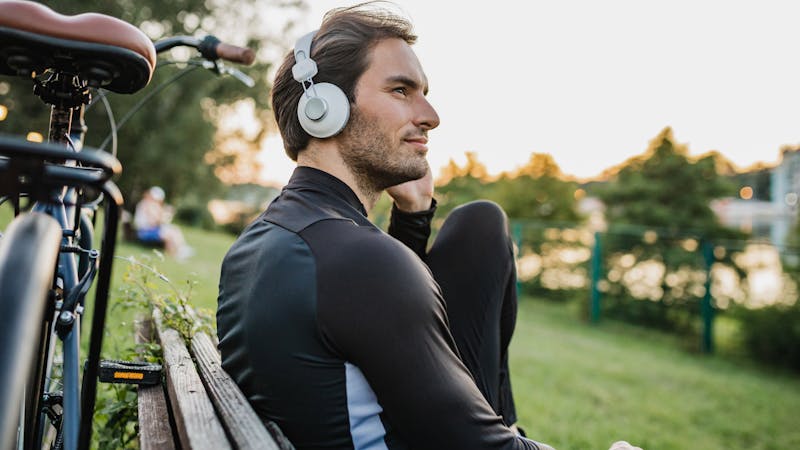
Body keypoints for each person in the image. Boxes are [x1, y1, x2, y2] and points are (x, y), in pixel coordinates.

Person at [218, 4, 639, 450]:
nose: (430, 115)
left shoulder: (268, 239)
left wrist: (413, 218)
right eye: (401, 90)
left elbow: (374, 326)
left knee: (480, 225)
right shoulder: (359, 261)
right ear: (325, 108)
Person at [133, 186, 193, 260]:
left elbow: (157, 221)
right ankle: (176, 253)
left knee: (175, 229)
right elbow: (154, 222)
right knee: (169, 234)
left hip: (150, 229)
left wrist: (165, 215)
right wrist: (167, 215)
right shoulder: (147, 204)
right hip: (144, 231)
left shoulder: (149, 204)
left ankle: (180, 250)